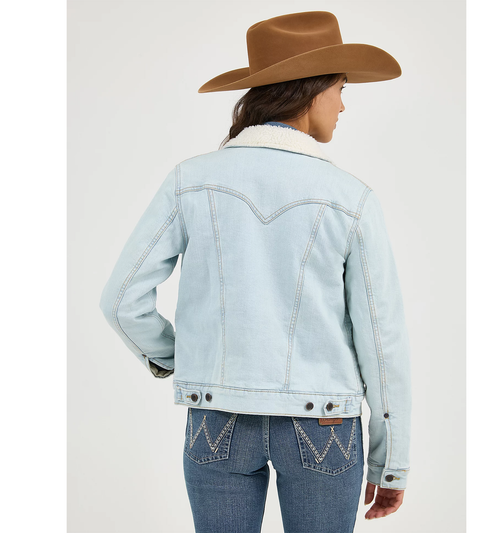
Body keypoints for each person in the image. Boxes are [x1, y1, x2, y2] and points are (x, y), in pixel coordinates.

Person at [99, 10, 412, 533]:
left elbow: (120, 300)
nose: (343, 104)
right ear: (312, 91)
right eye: (341, 88)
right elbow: (383, 343)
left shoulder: (191, 181)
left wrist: (185, 359)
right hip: (325, 422)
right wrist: (391, 459)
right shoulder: (351, 199)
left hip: (216, 414)